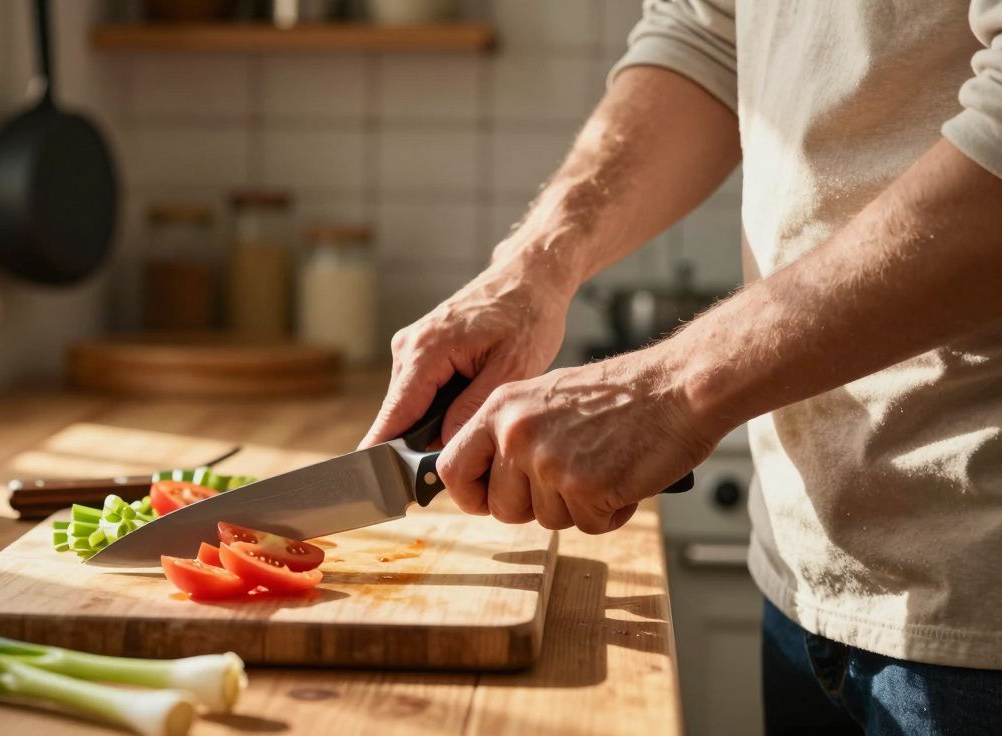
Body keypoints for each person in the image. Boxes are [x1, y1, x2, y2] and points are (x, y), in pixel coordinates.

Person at [359, 1, 1002, 733]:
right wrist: (533, 269)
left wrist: (667, 390)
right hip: (806, 572)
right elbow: (706, 34)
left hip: (981, 611)